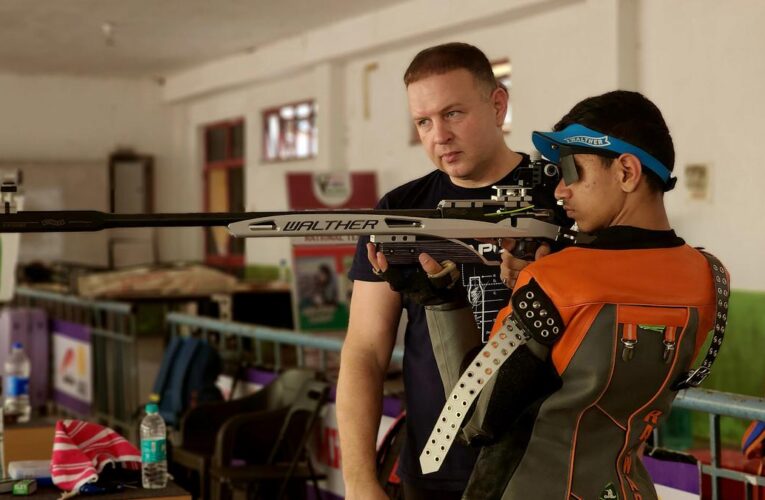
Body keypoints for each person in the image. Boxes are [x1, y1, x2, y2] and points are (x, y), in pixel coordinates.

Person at [372, 90, 727, 499]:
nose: (560, 190)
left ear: (627, 172)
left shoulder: (557, 279)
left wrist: (441, 299)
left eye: (571, 171)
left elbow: (473, 415)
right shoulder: (711, 276)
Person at [336, 42, 565, 500]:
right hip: (436, 471)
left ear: (498, 104)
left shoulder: (562, 200)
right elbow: (364, 350)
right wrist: (360, 481)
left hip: (546, 470)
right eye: (423, 121)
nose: (438, 135)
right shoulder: (398, 211)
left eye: (453, 113)